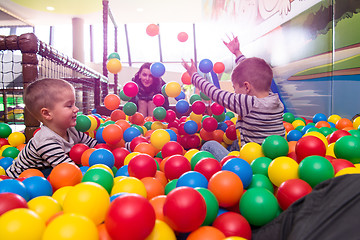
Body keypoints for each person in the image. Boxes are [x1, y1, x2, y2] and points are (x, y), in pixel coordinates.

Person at [182, 35, 285, 161]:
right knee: (236, 141)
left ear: (247, 87)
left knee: (209, 146)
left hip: (251, 162)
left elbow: (214, 93)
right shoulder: (274, 99)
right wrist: (237, 53)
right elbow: (254, 73)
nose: (234, 91)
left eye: (235, 88)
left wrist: (194, 75)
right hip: (275, 158)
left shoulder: (247, 102)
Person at [6, 78, 98, 178]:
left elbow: (94, 144)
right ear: (47, 113)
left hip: (48, 170)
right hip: (20, 178)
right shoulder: (46, 141)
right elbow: (69, 170)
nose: (76, 109)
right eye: (69, 105)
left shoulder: (71, 130)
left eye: (74, 104)